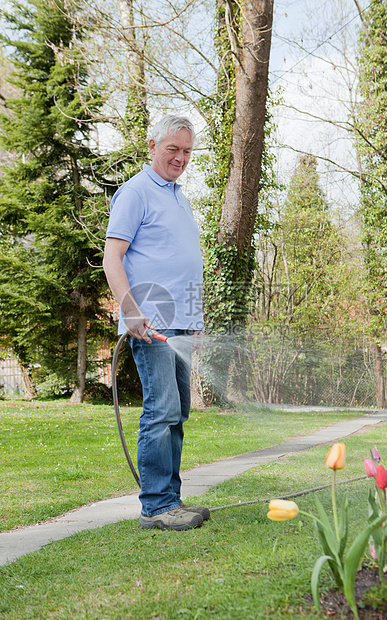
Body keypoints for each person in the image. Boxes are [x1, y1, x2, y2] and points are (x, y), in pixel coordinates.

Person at [103, 115, 208, 531]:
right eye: (173, 150)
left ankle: (171, 500)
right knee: (160, 411)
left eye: (186, 152)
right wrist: (129, 309)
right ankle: (156, 507)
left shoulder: (179, 198)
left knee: (177, 412)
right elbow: (113, 257)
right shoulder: (135, 192)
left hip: (182, 322)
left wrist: (197, 320)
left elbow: (189, 265)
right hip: (151, 323)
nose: (180, 158)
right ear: (152, 146)